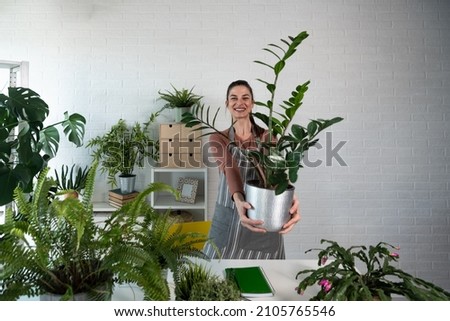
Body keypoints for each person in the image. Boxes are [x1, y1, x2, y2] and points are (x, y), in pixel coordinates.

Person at [203, 80, 301, 259]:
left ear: (252, 103)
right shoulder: (218, 138)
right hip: (230, 214)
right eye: (233, 98)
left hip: (262, 216)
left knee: (264, 275)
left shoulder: (267, 137)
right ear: (227, 104)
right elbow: (230, 168)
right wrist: (239, 202)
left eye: (245, 98)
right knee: (212, 270)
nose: (239, 103)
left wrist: (290, 197)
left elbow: (276, 173)